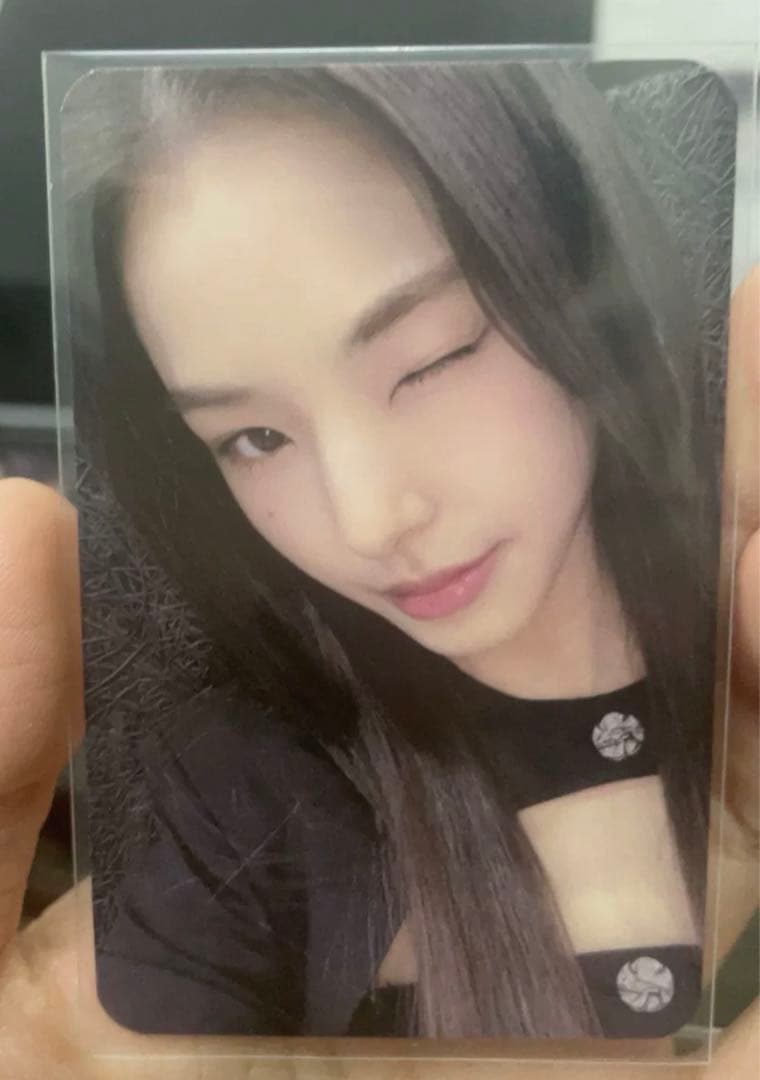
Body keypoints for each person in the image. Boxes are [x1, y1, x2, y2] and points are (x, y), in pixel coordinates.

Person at [0, 62, 752, 1064]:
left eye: (431, 360)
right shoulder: (249, 795)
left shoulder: (732, 692)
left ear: (585, 293)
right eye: (255, 438)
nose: (367, 522)